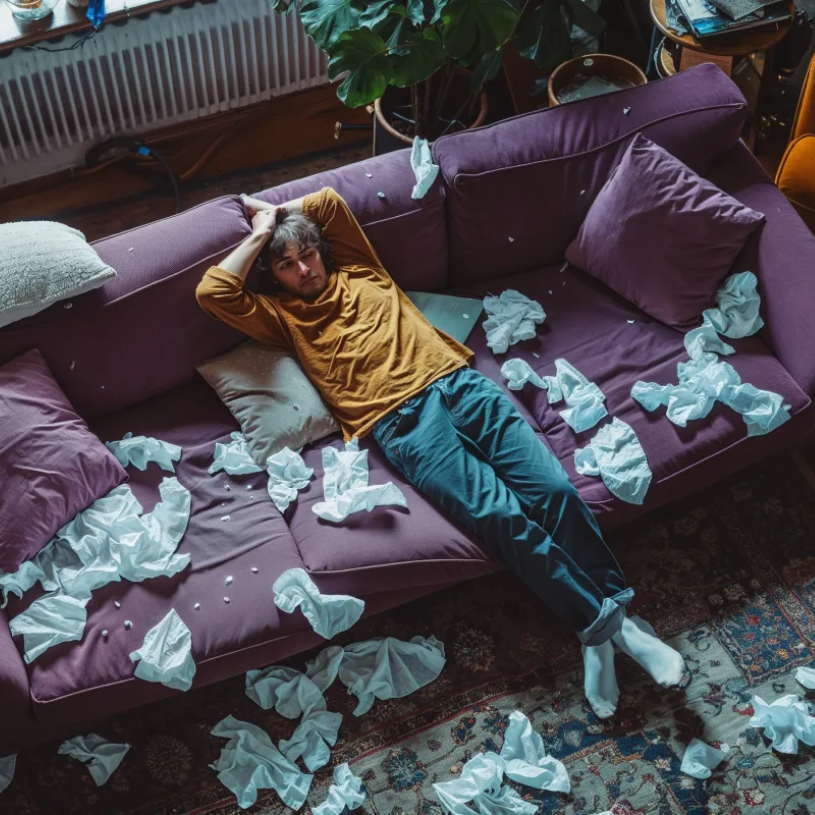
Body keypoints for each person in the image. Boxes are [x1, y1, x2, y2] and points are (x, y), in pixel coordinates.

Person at [196, 187, 690, 718]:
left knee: (553, 490)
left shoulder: (362, 269)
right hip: (400, 422)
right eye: (287, 265)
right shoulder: (281, 317)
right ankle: (610, 628)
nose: (303, 269)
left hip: (461, 383)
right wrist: (262, 232)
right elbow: (213, 291)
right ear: (276, 275)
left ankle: (607, 629)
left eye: (308, 254)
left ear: (323, 250)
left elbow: (330, 203)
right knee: (500, 515)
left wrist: (270, 209)